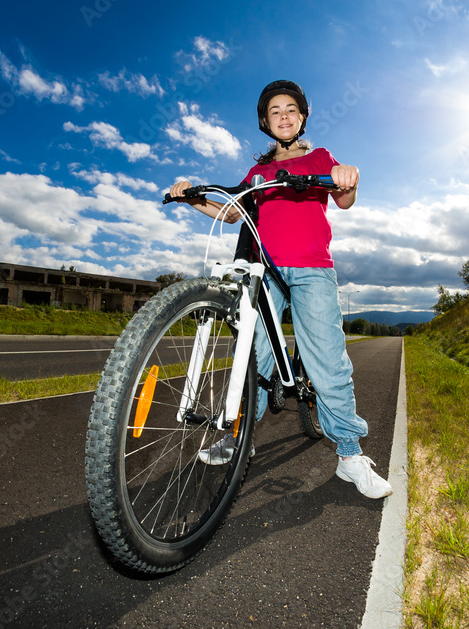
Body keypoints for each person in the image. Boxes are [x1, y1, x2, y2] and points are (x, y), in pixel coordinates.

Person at [168, 80, 392, 500]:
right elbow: (231, 212)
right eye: (275, 111)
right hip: (264, 270)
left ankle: (349, 455)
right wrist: (190, 196)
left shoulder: (322, 158)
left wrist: (349, 178)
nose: (284, 116)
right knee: (253, 358)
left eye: (291, 109)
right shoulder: (258, 173)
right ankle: (239, 438)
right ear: (265, 122)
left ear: (302, 116)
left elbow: (344, 199)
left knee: (327, 361)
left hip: (311, 269)